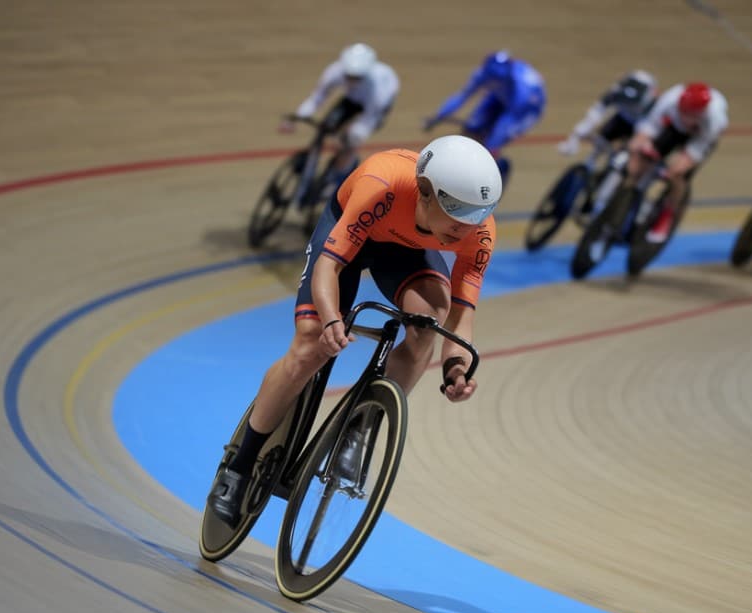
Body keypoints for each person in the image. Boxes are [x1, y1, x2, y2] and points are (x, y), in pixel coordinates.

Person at [208, 135, 502, 525]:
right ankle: (239, 467)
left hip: (406, 252)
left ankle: (358, 429)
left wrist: (456, 371)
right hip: (353, 234)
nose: (465, 228)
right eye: (457, 213)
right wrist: (330, 319)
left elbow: (461, 320)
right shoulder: (382, 184)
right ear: (426, 192)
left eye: (476, 215)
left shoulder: (478, 232)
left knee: (429, 322)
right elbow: (330, 266)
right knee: (310, 346)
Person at [618, 81, 729, 243]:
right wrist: (640, 144)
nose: (686, 117)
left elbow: (696, 151)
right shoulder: (671, 98)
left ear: (701, 113)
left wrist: (676, 168)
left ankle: (667, 214)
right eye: (683, 111)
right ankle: (622, 198)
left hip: (698, 139)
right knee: (638, 158)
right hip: (674, 130)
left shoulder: (715, 120)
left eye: (691, 115)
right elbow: (649, 126)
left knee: (676, 174)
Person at [278, 43, 400, 187]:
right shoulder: (334, 72)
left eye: (357, 77)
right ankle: (310, 167)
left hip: (373, 109)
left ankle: (340, 174)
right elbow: (317, 98)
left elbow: (369, 119)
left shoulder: (379, 90)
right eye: (348, 76)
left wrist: (354, 134)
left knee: (349, 141)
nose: (352, 80)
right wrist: (296, 119)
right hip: (351, 99)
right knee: (324, 128)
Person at [422, 50, 546, 187]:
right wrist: (438, 117)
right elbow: (462, 97)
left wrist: (491, 146)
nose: (492, 81)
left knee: (491, 144)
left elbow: (506, 124)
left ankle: (488, 182)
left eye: (497, 80)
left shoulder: (522, 91)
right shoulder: (482, 74)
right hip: (499, 97)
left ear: (507, 78)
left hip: (526, 110)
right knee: (471, 129)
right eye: (491, 79)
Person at [557, 70, 659, 156]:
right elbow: (595, 113)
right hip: (622, 119)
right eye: (625, 99)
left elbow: (646, 128)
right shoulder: (616, 91)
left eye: (632, 102)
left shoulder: (651, 103)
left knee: (631, 153)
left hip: (642, 124)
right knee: (599, 145)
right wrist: (576, 136)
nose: (627, 103)